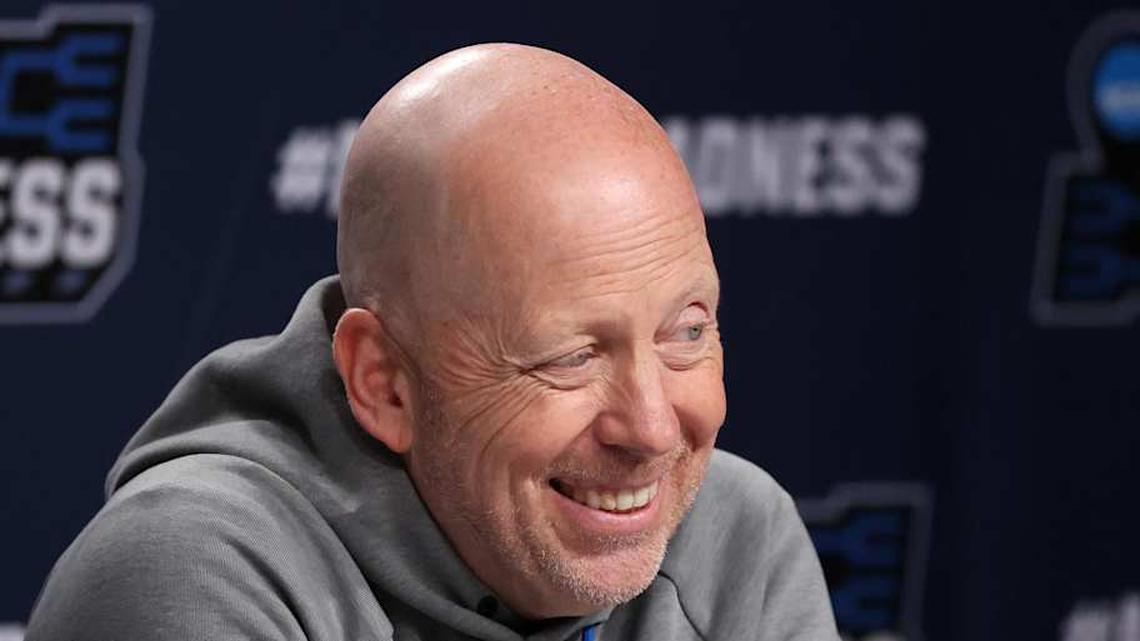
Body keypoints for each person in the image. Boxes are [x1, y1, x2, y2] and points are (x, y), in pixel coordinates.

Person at [25, 44, 838, 641]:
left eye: (686, 333)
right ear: (383, 382)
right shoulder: (194, 573)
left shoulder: (735, 541)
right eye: (571, 357)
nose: (654, 428)